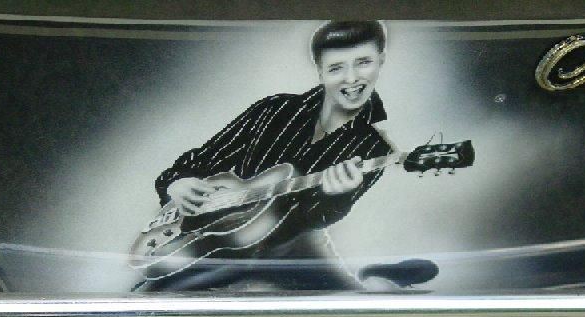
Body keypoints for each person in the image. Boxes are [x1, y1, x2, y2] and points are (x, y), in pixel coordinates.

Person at [139, 21, 404, 292]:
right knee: (149, 302)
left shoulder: (374, 149)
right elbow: (203, 159)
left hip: (293, 251)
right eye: (336, 68)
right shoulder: (273, 109)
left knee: (354, 313)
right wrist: (177, 182)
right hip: (220, 237)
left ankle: (380, 278)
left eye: (363, 63)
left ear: (381, 60)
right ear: (320, 70)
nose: (351, 78)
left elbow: (315, 219)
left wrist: (337, 196)